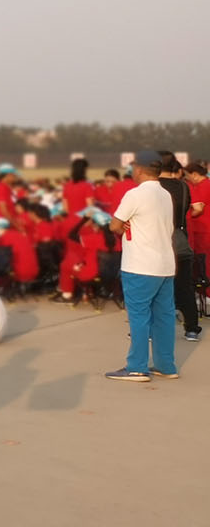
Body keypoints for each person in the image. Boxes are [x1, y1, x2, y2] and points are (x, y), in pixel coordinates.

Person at [104, 152, 179, 381]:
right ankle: (166, 365)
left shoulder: (135, 194)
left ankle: (137, 366)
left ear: (139, 169)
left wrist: (123, 226)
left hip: (140, 265)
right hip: (165, 264)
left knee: (139, 316)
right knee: (164, 317)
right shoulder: (165, 194)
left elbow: (114, 225)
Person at [153, 153, 200, 341]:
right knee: (185, 287)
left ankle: (150, 329)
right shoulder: (183, 186)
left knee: (153, 288)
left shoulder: (152, 187)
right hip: (180, 241)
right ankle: (191, 328)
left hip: (157, 242)